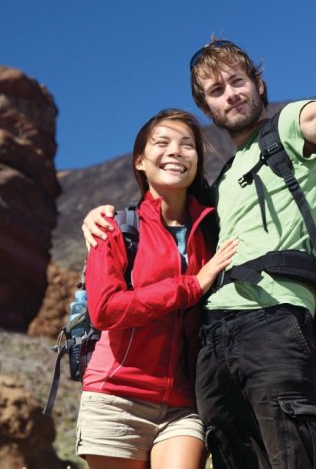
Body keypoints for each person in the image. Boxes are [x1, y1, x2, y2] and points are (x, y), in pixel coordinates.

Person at [83, 2, 316, 468]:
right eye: (216, 90)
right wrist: (97, 214)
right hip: (211, 345)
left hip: (274, 323)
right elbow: (160, 221)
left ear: (258, 85)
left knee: (298, 455)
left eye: (237, 82)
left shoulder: (291, 131)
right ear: (206, 107)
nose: (229, 94)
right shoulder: (219, 185)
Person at [76, 109, 239, 469]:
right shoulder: (114, 228)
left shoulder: (215, 227)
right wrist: (191, 286)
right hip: (117, 395)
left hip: (184, 402)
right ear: (140, 160)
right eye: (162, 143)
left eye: (187, 145)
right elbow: (105, 311)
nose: (175, 152)